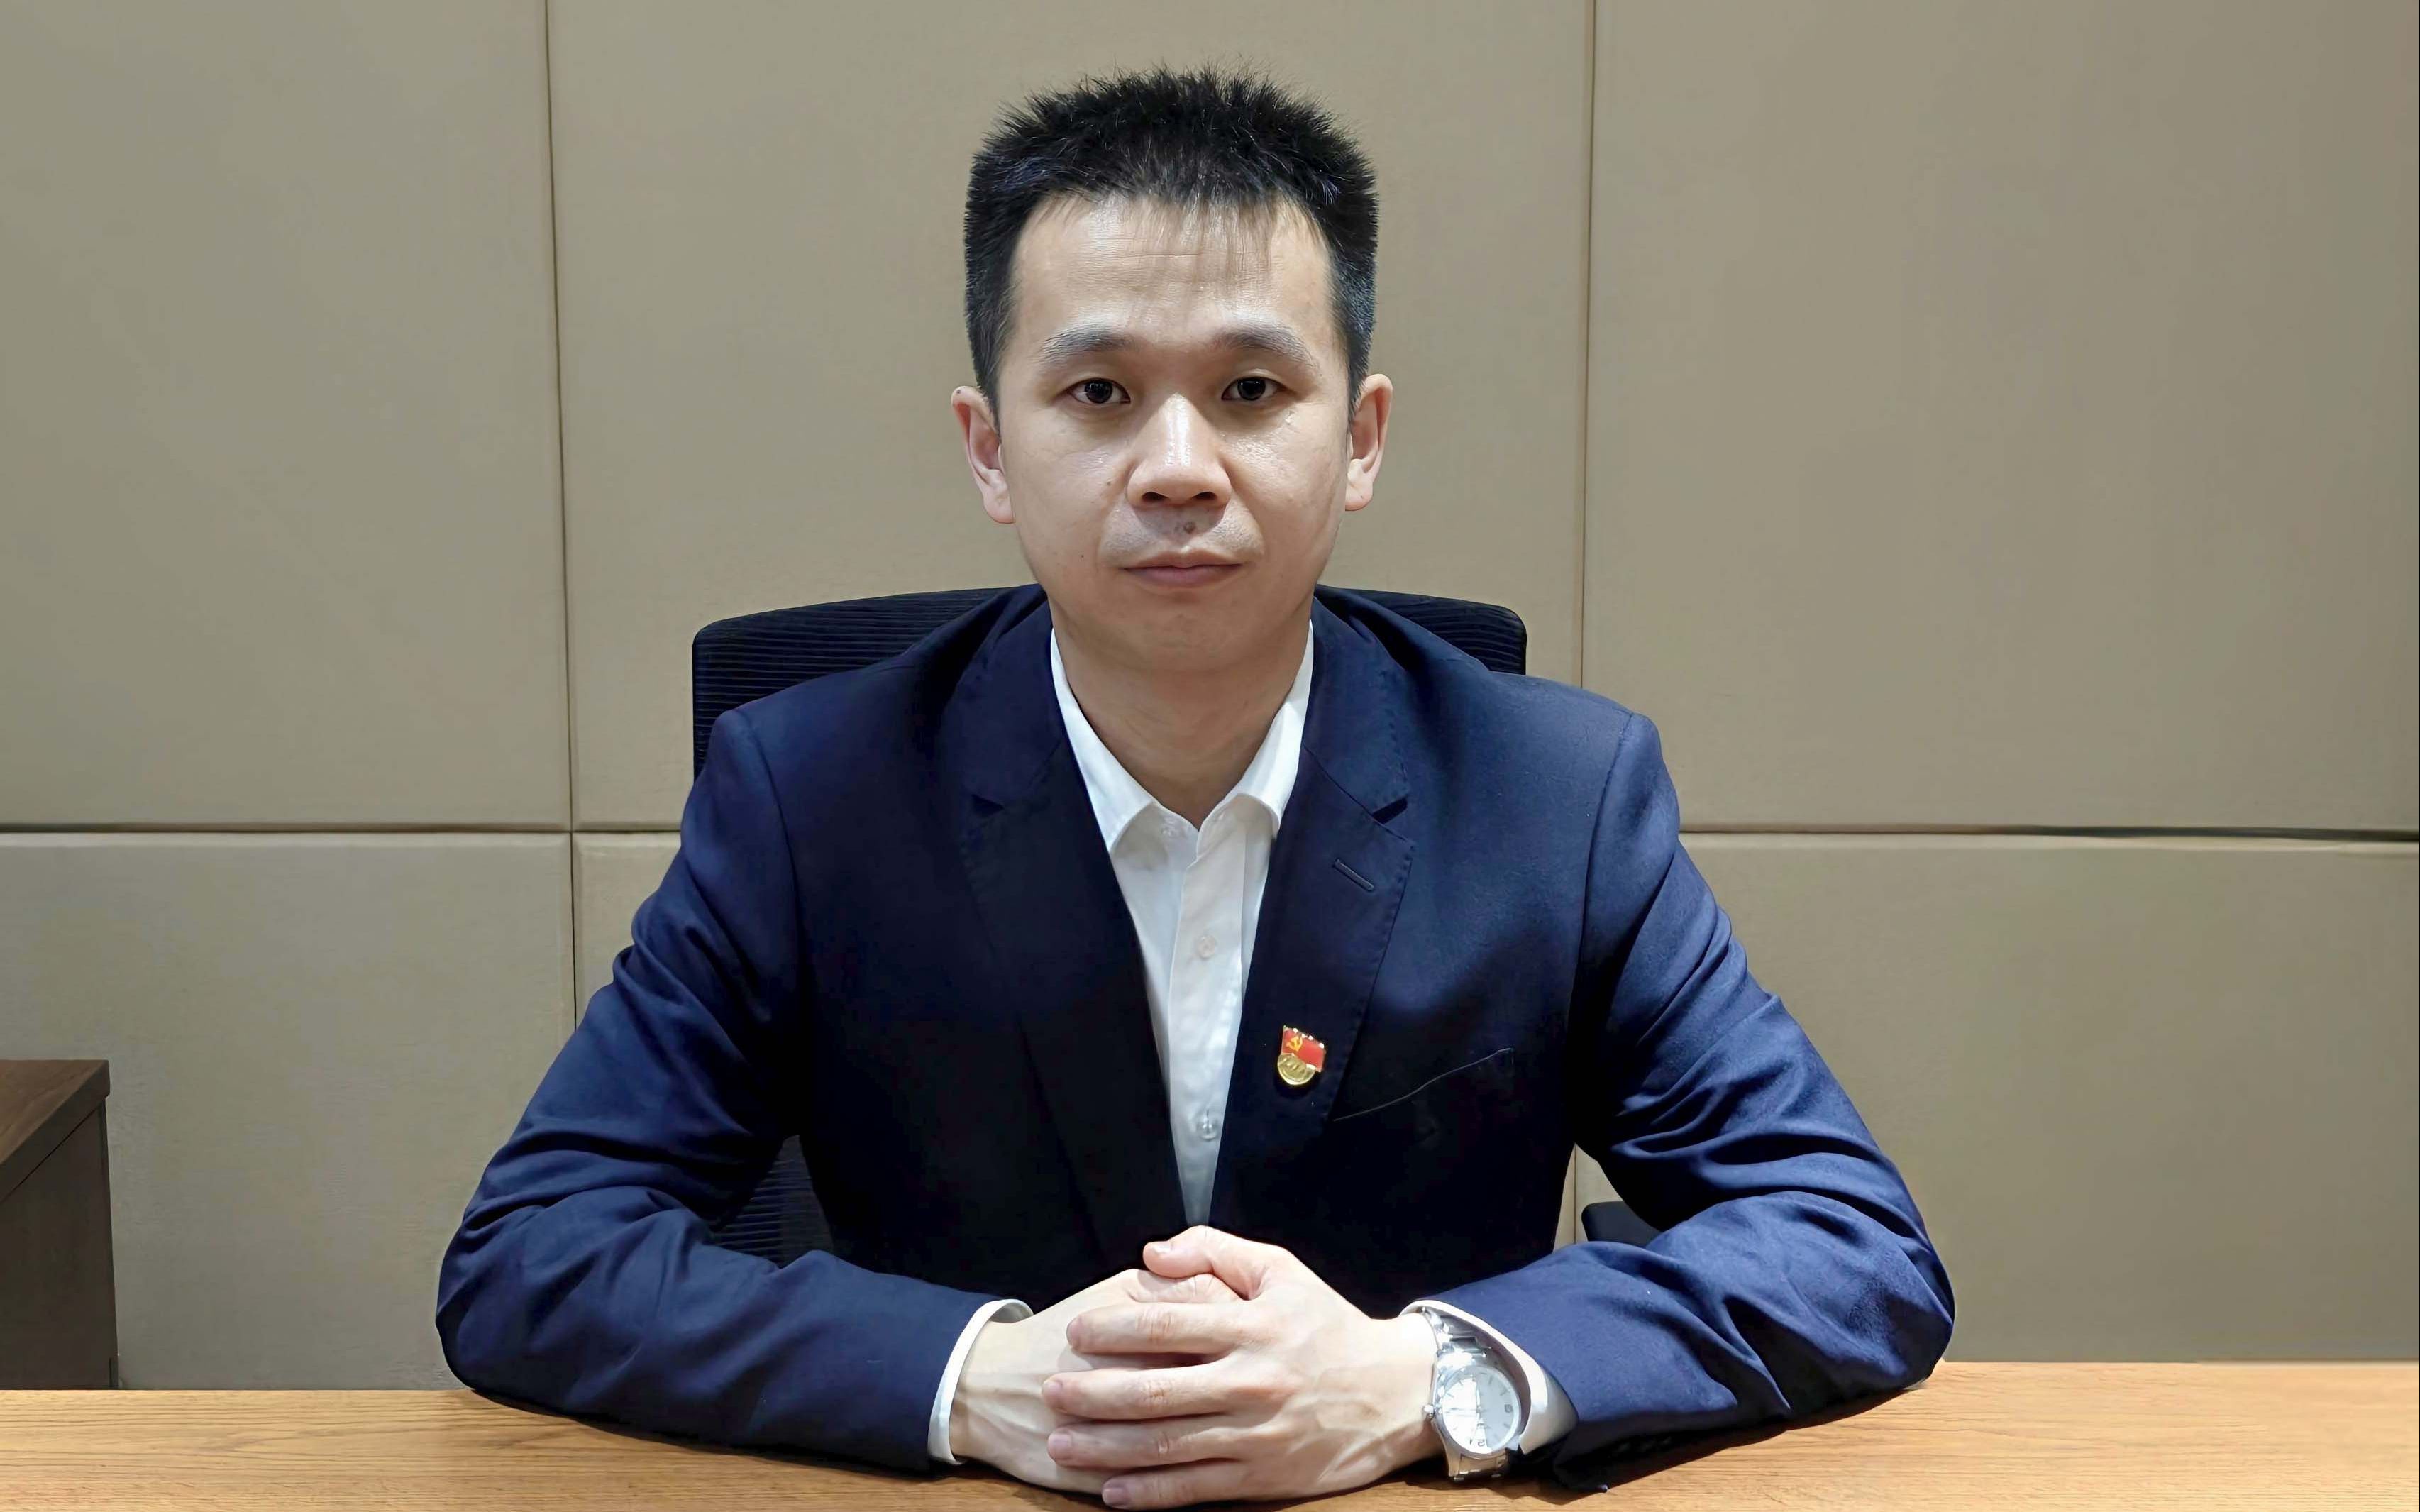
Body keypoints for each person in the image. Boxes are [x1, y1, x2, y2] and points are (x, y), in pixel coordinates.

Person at [434, 64, 1953, 1509]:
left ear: (1358, 439)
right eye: (1099, 392)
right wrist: (974, 1376)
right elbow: (532, 1252)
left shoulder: (1554, 801)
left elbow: (1849, 1244)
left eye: (1248, 388)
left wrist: (1423, 1376)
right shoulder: (809, 797)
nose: (1177, 465)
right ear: (990, 449)